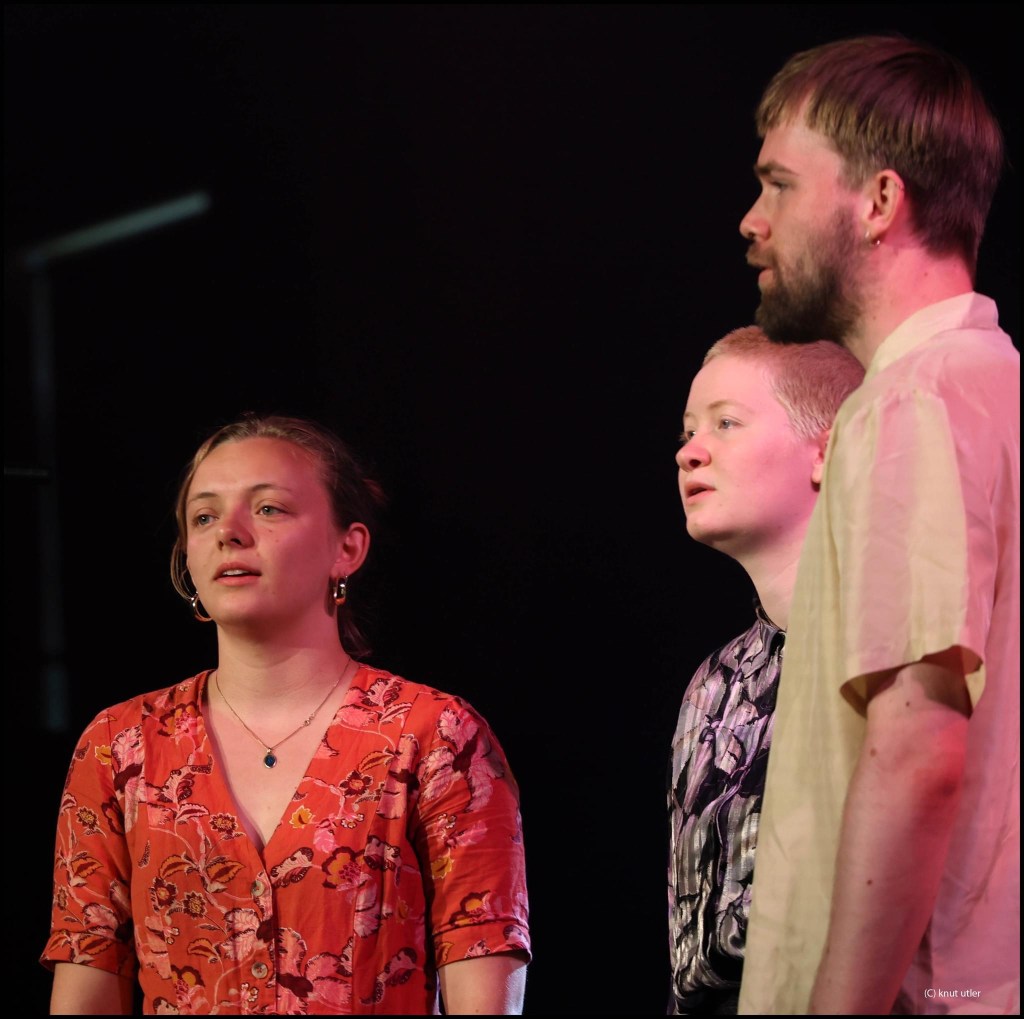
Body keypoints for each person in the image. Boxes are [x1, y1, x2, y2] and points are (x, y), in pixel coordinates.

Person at [41, 414, 531, 1015]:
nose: (229, 533)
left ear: (347, 548)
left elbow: (481, 967)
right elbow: (86, 974)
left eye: (268, 508)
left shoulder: (434, 735)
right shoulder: (121, 744)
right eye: (203, 517)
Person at [734, 35, 1020, 1015]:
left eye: (778, 185)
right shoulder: (994, 388)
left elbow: (915, 748)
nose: (752, 220)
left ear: (880, 201)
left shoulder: (911, 402)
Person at [668, 326, 863, 1015]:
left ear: (828, 450)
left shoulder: (885, 653)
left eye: (726, 422)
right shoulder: (713, 683)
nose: (689, 450)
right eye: (689, 430)